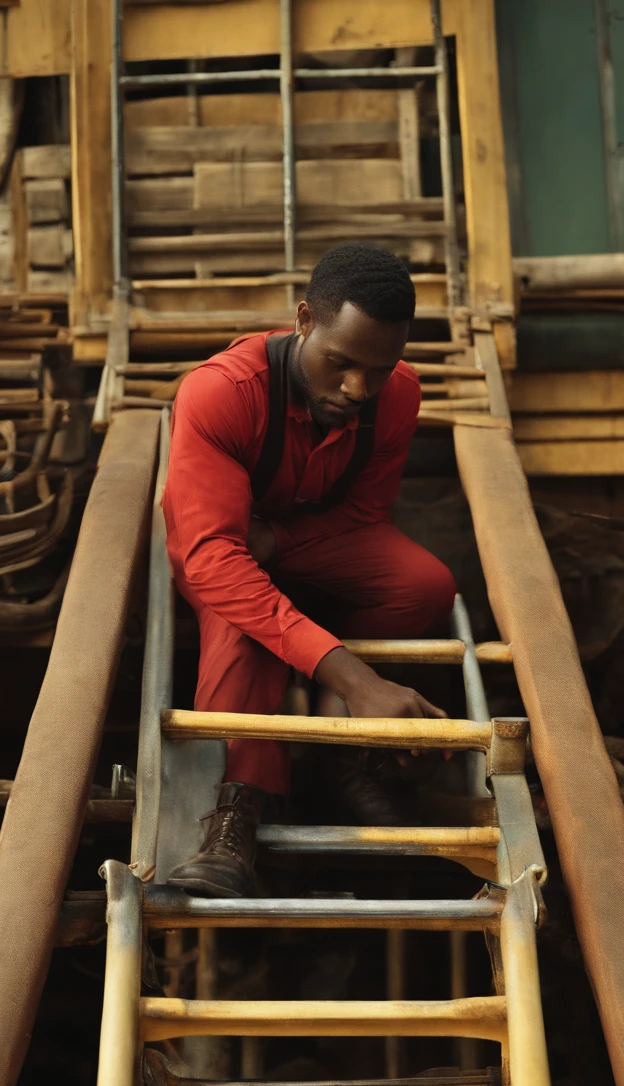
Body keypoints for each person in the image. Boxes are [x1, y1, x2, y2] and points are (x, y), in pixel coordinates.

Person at [163, 243, 456, 897]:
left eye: (378, 369)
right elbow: (211, 557)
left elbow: (364, 511)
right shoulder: (221, 394)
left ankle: (346, 752)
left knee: (426, 584)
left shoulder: (396, 394)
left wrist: (284, 538)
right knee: (239, 631)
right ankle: (236, 812)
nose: (357, 389)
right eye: (341, 363)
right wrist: (357, 677)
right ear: (303, 321)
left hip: (298, 543)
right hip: (225, 555)